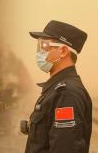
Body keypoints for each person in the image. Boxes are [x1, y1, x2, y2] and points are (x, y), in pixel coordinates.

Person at [23, 20, 92, 153]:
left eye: (44, 45)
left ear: (63, 51)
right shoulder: (56, 90)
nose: (39, 52)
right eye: (39, 45)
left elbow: (65, 147)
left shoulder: (67, 94)